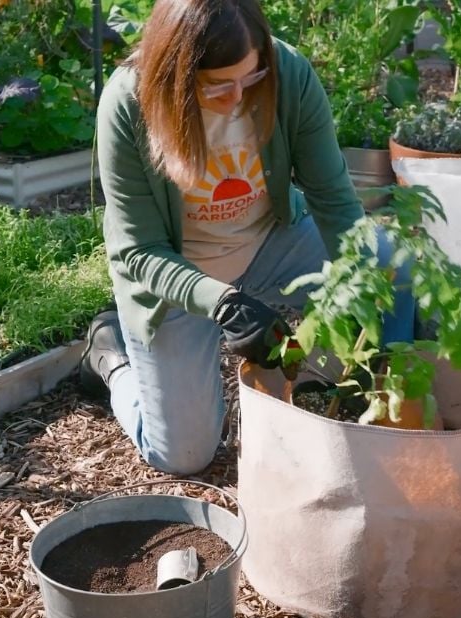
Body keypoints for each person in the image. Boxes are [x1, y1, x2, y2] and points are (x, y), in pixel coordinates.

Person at [81, 0, 369, 475]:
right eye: (218, 85)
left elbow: (334, 201)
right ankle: (110, 359)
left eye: (250, 80)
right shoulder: (129, 102)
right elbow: (138, 249)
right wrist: (222, 303)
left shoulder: (288, 72)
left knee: (386, 268)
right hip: (174, 274)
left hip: (275, 243)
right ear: (175, 74)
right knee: (183, 455)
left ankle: (307, 376)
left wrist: (361, 284)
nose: (238, 98)